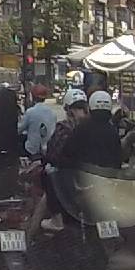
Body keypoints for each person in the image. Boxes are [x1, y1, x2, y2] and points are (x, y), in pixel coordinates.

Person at [38, 89, 89, 232]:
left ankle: (56, 221)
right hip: (91, 177)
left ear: (68, 110)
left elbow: (53, 155)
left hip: (70, 180)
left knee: (48, 174)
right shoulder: (95, 127)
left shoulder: (64, 128)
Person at [64, 90, 122, 168]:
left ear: (90, 109)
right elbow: (118, 159)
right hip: (107, 174)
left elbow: (67, 154)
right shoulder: (113, 131)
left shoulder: (80, 129)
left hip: (83, 174)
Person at [18, 83, 56, 159]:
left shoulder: (31, 112)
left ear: (32, 97)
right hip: (47, 149)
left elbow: (19, 129)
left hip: (31, 150)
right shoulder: (52, 113)